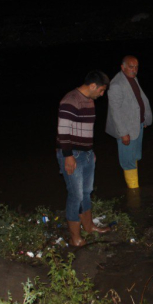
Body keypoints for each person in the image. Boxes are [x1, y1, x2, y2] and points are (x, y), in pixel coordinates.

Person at [56, 70, 111, 247]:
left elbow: (86, 129)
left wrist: (90, 150)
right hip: (72, 154)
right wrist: (68, 156)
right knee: (75, 194)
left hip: (86, 154)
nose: (102, 94)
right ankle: (75, 238)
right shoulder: (70, 101)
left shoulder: (89, 101)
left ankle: (88, 226)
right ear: (93, 85)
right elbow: (63, 131)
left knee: (86, 192)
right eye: (101, 90)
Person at [105, 55, 153, 189]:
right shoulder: (116, 85)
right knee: (128, 160)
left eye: (136, 67)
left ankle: (135, 188)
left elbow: (137, 101)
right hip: (126, 129)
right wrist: (123, 133)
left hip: (137, 125)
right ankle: (133, 192)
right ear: (123, 67)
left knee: (135, 155)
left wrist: (142, 119)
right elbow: (116, 112)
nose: (134, 70)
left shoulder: (132, 78)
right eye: (131, 67)